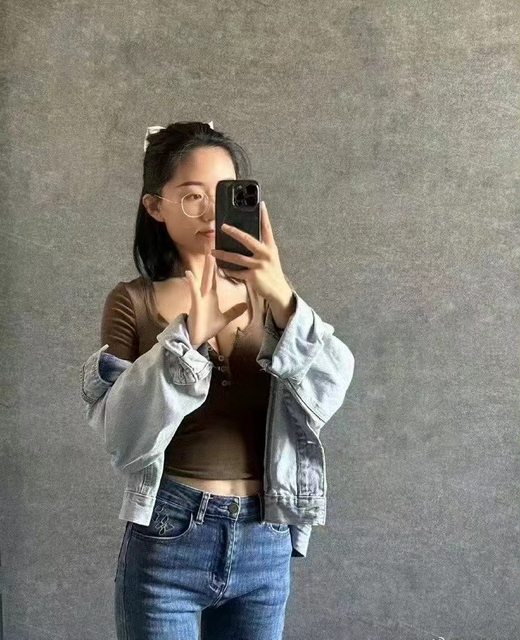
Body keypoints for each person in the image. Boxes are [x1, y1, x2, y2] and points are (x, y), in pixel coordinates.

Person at [104, 121, 300, 639]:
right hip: (170, 534)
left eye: (225, 194)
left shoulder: (270, 297)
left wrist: (281, 294)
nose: (212, 212)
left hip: (265, 535)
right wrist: (187, 339)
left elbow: (327, 389)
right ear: (155, 206)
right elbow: (120, 436)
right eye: (193, 196)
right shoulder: (133, 302)